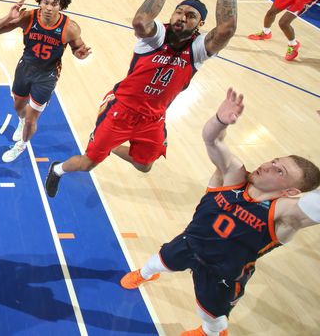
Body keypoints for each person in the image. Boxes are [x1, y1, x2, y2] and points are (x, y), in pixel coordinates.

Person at [45, 0, 237, 196]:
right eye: (179, 11)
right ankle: (57, 170)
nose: (182, 17)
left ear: (200, 25)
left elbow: (227, 28)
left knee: (144, 165)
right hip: (120, 111)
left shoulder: (198, 49)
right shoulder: (156, 36)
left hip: (153, 119)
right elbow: (141, 20)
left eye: (191, 16)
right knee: (88, 163)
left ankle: (111, 146)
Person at [120, 89, 320, 336]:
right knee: (158, 261)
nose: (268, 165)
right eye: (274, 160)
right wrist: (220, 120)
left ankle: (209, 333)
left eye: (279, 172)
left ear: (290, 191)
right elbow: (213, 140)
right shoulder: (233, 176)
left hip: (222, 274)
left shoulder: (285, 214)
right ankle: (145, 275)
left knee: (211, 316)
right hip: (189, 243)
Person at [0, 0, 91, 163]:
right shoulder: (28, 18)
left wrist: (80, 54)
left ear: (62, 6)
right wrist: (8, 18)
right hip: (25, 68)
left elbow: (78, 48)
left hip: (47, 77)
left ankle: (21, 145)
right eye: (46, 2)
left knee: (32, 119)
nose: (49, 7)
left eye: (54, 4)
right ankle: (21, 121)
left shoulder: (70, 28)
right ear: (39, 1)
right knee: (18, 106)